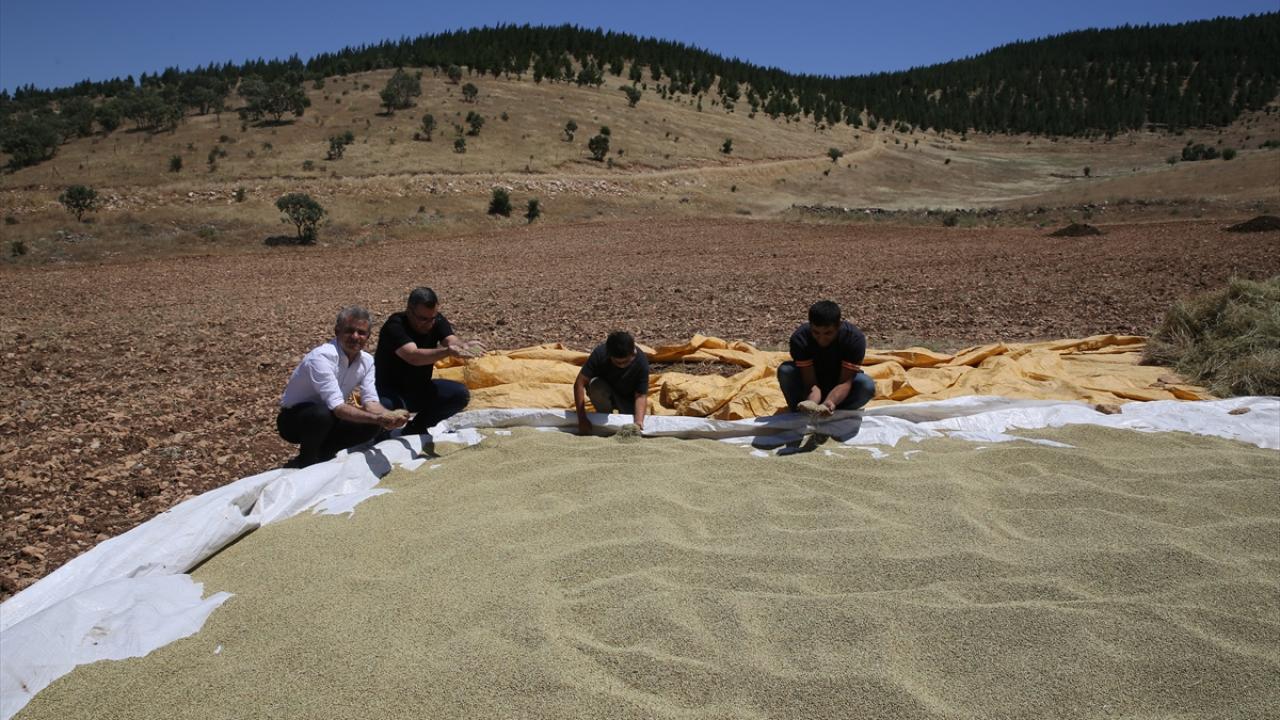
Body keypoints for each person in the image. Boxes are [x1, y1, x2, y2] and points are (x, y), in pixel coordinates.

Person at [278, 306, 407, 468]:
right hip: (294, 420)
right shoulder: (322, 357)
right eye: (349, 331)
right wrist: (378, 418)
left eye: (361, 333)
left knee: (372, 424)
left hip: (330, 417)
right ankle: (305, 461)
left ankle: (325, 453)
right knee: (322, 414)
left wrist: (388, 416)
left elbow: (371, 401)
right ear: (337, 331)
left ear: (368, 336)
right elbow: (338, 407)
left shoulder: (366, 361)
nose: (355, 337)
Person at [374, 287, 481, 434]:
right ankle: (380, 435)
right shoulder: (395, 326)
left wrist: (464, 346)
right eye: (423, 319)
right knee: (383, 411)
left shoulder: (436, 320)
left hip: (419, 389)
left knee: (459, 394)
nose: (429, 323)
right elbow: (413, 356)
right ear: (409, 311)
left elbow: (451, 340)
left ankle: (416, 427)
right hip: (389, 392)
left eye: (433, 318)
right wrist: (447, 351)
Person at [777, 300, 876, 416]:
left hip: (840, 384)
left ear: (838, 326)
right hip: (813, 383)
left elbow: (845, 382)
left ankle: (836, 413)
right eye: (816, 333)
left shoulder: (853, 339)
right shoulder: (800, 339)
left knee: (866, 385)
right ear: (810, 326)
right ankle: (800, 413)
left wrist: (829, 403)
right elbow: (810, 383)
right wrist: (811, 403)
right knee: (786, 370)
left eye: (828, 333)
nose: (822, 339)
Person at [575, 331, 649, 435]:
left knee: (630, 421)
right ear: (609, 355)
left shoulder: (641, 362)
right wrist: (582, 418)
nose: (622, 365)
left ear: (633, 353)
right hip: (605, 391)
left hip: (628, 398)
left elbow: (640, 396)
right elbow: (579, 383)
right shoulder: (600, 354)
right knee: (595, 385)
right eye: (618, 362)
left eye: (626, 362)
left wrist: (638, 421)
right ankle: (604, 415)